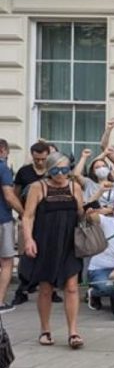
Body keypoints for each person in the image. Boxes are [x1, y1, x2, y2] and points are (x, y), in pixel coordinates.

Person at [19, 152, 85, 349]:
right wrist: (29, 239)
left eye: (65, 170)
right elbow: (28, 216)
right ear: (49, 170)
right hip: (46, 241)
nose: (60, 174)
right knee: (46, 288)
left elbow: (80, 212)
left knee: (72, 287)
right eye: (55, 170)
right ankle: (45, 329)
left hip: (69, 242)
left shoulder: (75, 186)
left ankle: (73, 332)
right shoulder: (38, 187)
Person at [0, 140, 23, 312]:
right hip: (2, 219)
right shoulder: (3, 168)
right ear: (3, 151)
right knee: (6, 261)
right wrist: (24, 212)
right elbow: (9, 195)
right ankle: (0, 301)